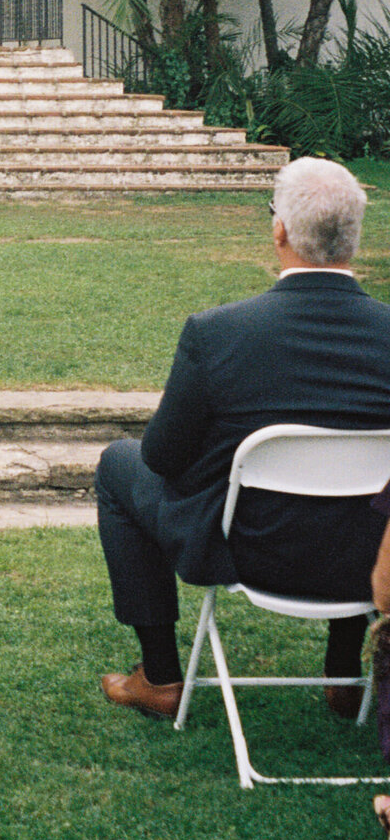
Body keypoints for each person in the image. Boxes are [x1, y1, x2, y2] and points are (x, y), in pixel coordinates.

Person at [96, 156, 390, 722]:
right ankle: (344, 673)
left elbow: (159, 457)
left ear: (279, 230)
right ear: (354, 236)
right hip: (366, 559)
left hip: (246, 549)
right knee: (363, 484)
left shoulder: (219, 333)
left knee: (118, 463)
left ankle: (158, 676)